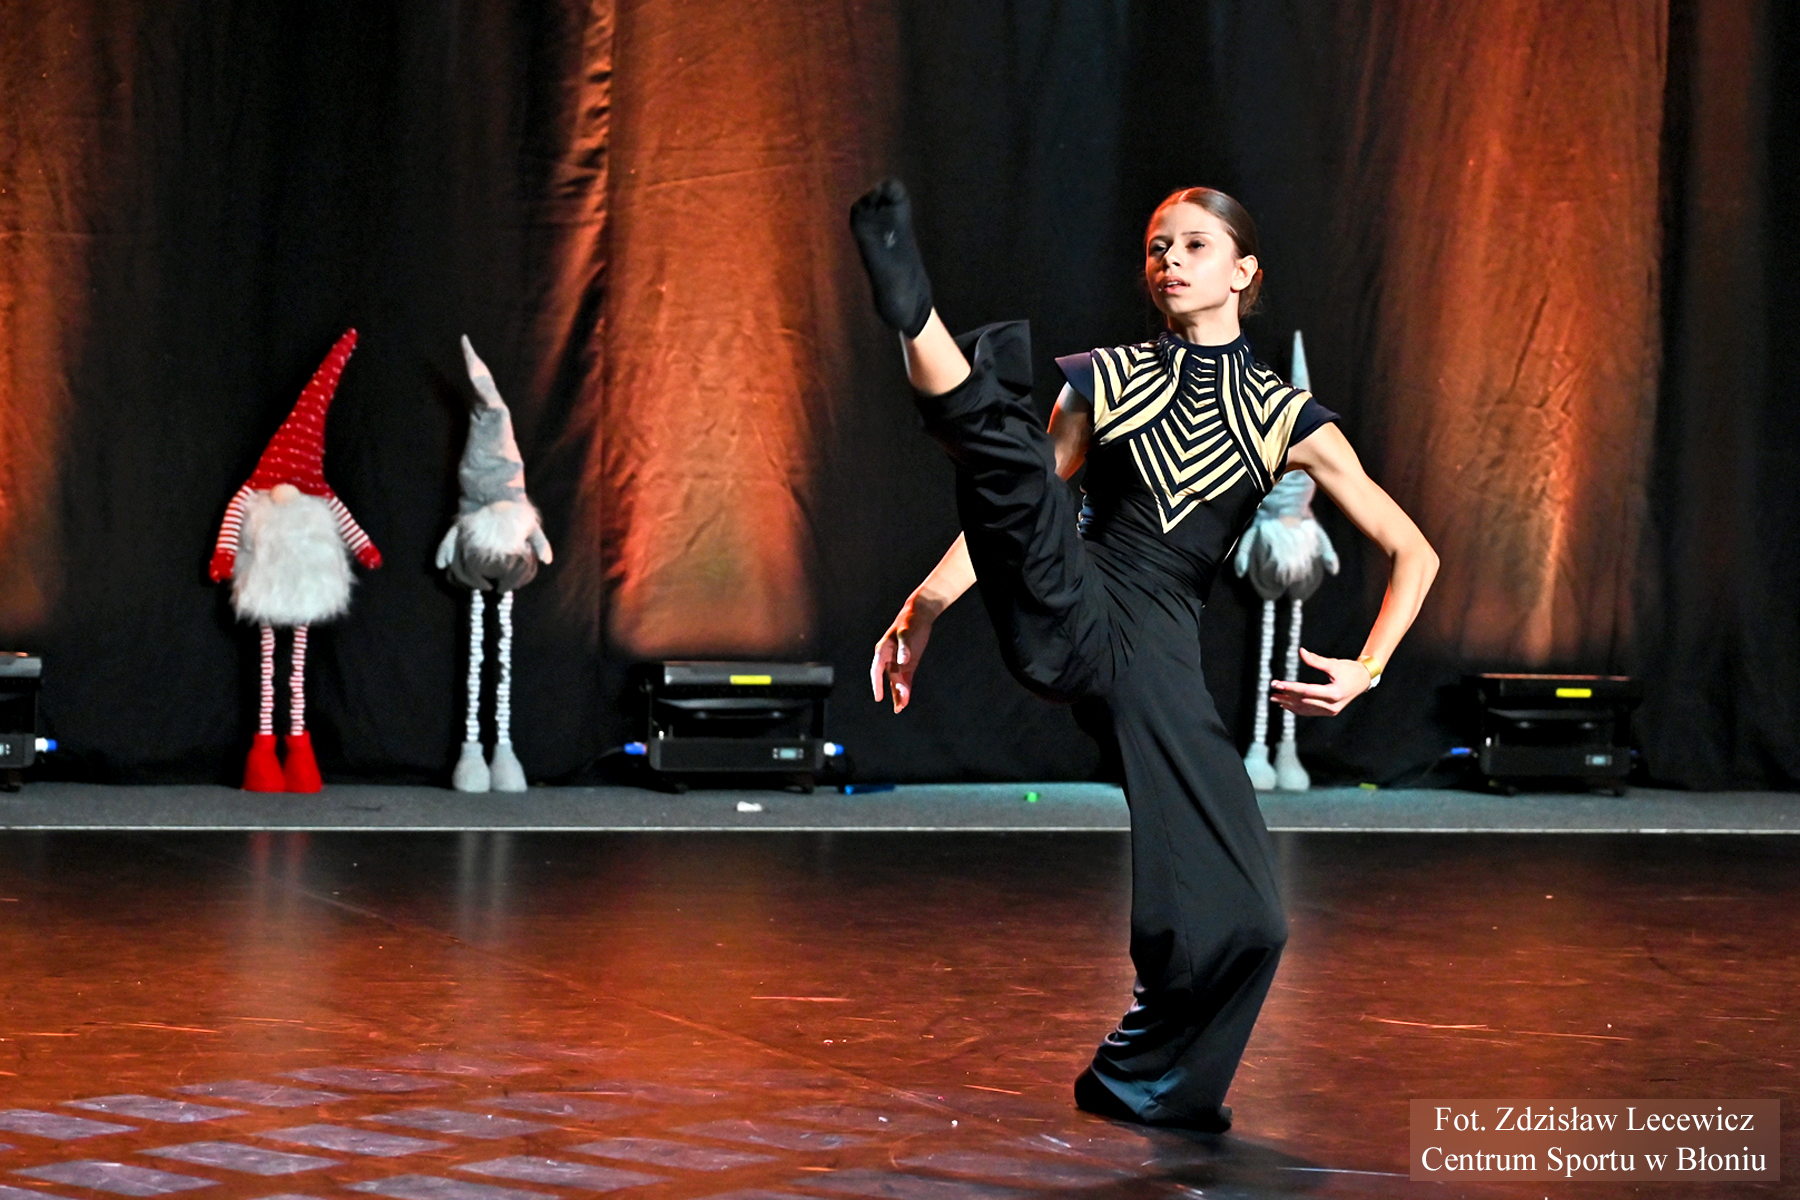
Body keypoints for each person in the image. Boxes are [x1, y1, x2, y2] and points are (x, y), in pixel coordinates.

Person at [849, 180, 1438, 1133]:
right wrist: (924, 605)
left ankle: (1143, 1083)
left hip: (1158, 656)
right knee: (1011, 472)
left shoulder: (1291, 419)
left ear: (1243, 272)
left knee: (1253, 921)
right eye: (1159, 246)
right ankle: (916, 318)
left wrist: (1366, 670)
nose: (1170, 261)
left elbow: (1416, 551)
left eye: (1195, 245)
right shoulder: (1106, 376)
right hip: (1073, 596)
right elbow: (1017, 515)